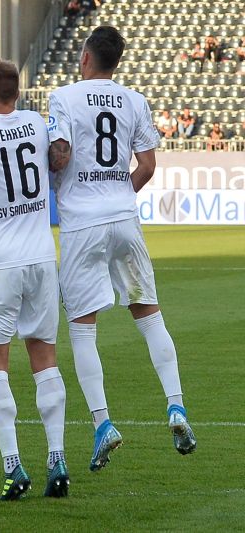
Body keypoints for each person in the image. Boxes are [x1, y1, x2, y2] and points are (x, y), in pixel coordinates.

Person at [47, 26, 197, 472]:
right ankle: (176, 407)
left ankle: (103, 424)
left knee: (82, 327)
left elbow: (58, 155)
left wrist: (55, 162)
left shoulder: (64, 98)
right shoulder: (133, 99)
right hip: (124, 217)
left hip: (82, 223)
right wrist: (119, 192)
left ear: (86, 57)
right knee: (149, 313)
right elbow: (148, 165)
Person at [0, 59, 69, 500]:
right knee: (44, 357)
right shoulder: (38, 125)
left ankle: (13, 466)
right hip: (42, 256)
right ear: (17, 94)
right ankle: (56, 458)